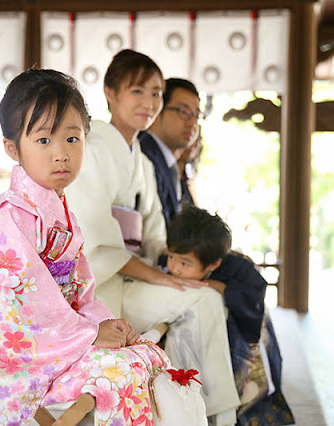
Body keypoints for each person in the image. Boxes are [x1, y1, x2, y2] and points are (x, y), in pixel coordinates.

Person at [0, 69, 175, 425]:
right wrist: (90, 334)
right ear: (12, 147)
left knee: (147, 355)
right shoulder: (5, 223)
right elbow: (13, 316)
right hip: (10, 359)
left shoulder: (60, 212)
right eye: (44, 140)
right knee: (121, 372)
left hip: (58, 341)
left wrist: (109, 324)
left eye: (72, 139)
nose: (61, 153)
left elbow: (81, 292)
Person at [67, 50, 240, 425]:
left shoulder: (141, 161)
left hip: (130, 278)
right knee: (189, 299)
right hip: (94, 291)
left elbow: (156, 239)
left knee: (204, 299)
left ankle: (214, 413)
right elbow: (96, 241)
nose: (149, 103)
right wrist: (159, 276)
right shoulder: (90, 147)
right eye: (138, 92)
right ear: (110, 92)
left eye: (157, 94)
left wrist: (181, 266)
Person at [164, 205, 295, 426]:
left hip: (245, 331)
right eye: (172, 258)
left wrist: (219, 287)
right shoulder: (184, 262)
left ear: (214, 263)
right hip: (212, 330)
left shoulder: (240, 268)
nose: (175, 268)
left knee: (249, 385)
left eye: (184, 263)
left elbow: (254, 297)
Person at [138, 78, 202, 228]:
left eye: (196, 115)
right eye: (184, 112)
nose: (192, 123)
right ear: (157, 109)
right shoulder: (144, 155)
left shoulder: (168, 162)